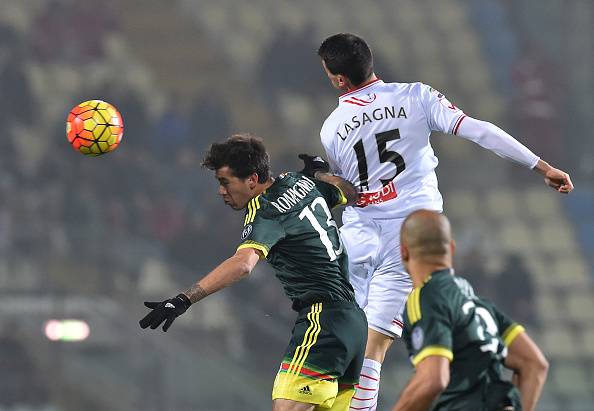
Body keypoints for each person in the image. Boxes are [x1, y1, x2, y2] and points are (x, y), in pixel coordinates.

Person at [305, 33, 571, 410]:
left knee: (340, 336)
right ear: (369, 61)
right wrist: (540, 165)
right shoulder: (416, 96)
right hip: (410, 237)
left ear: (338, 79)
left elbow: (348, 190)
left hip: (358, 234)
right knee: (373, 347)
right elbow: (479, 130)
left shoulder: (332, 127)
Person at [139, 134, 368, 411]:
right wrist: (319, 173)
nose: (221, 191)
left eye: (225, 182)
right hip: (353, 324)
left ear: (251, 180)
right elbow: (350, 192)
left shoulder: (265, 210)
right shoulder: (301, 183)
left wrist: (183, 300)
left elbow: (243, 264)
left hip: (323, 320)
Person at [392, 210, 548, 411]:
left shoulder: (425, 297)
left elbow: (432, 379)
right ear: (452, 248)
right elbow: (534, 364)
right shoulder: (479, 304)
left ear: (404, 252)